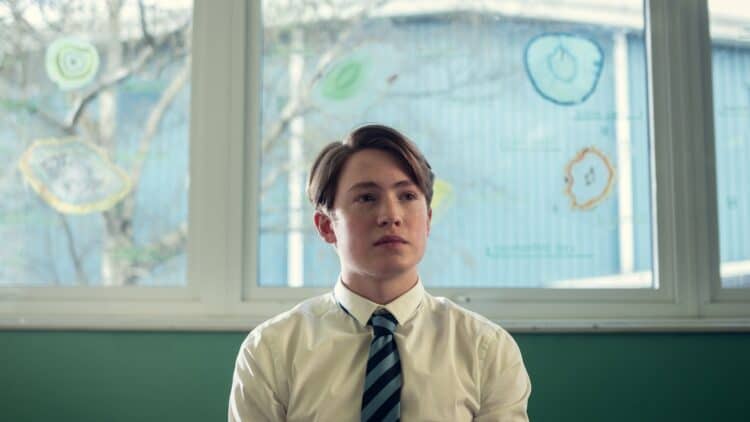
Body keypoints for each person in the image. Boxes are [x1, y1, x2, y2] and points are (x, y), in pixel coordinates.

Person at [228, 124, 531, 421]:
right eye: (367, 198)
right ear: (326, 226)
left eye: (407, 196)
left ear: (428, 219)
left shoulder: (485, 349)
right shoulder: (271, 350)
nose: (391, 216)